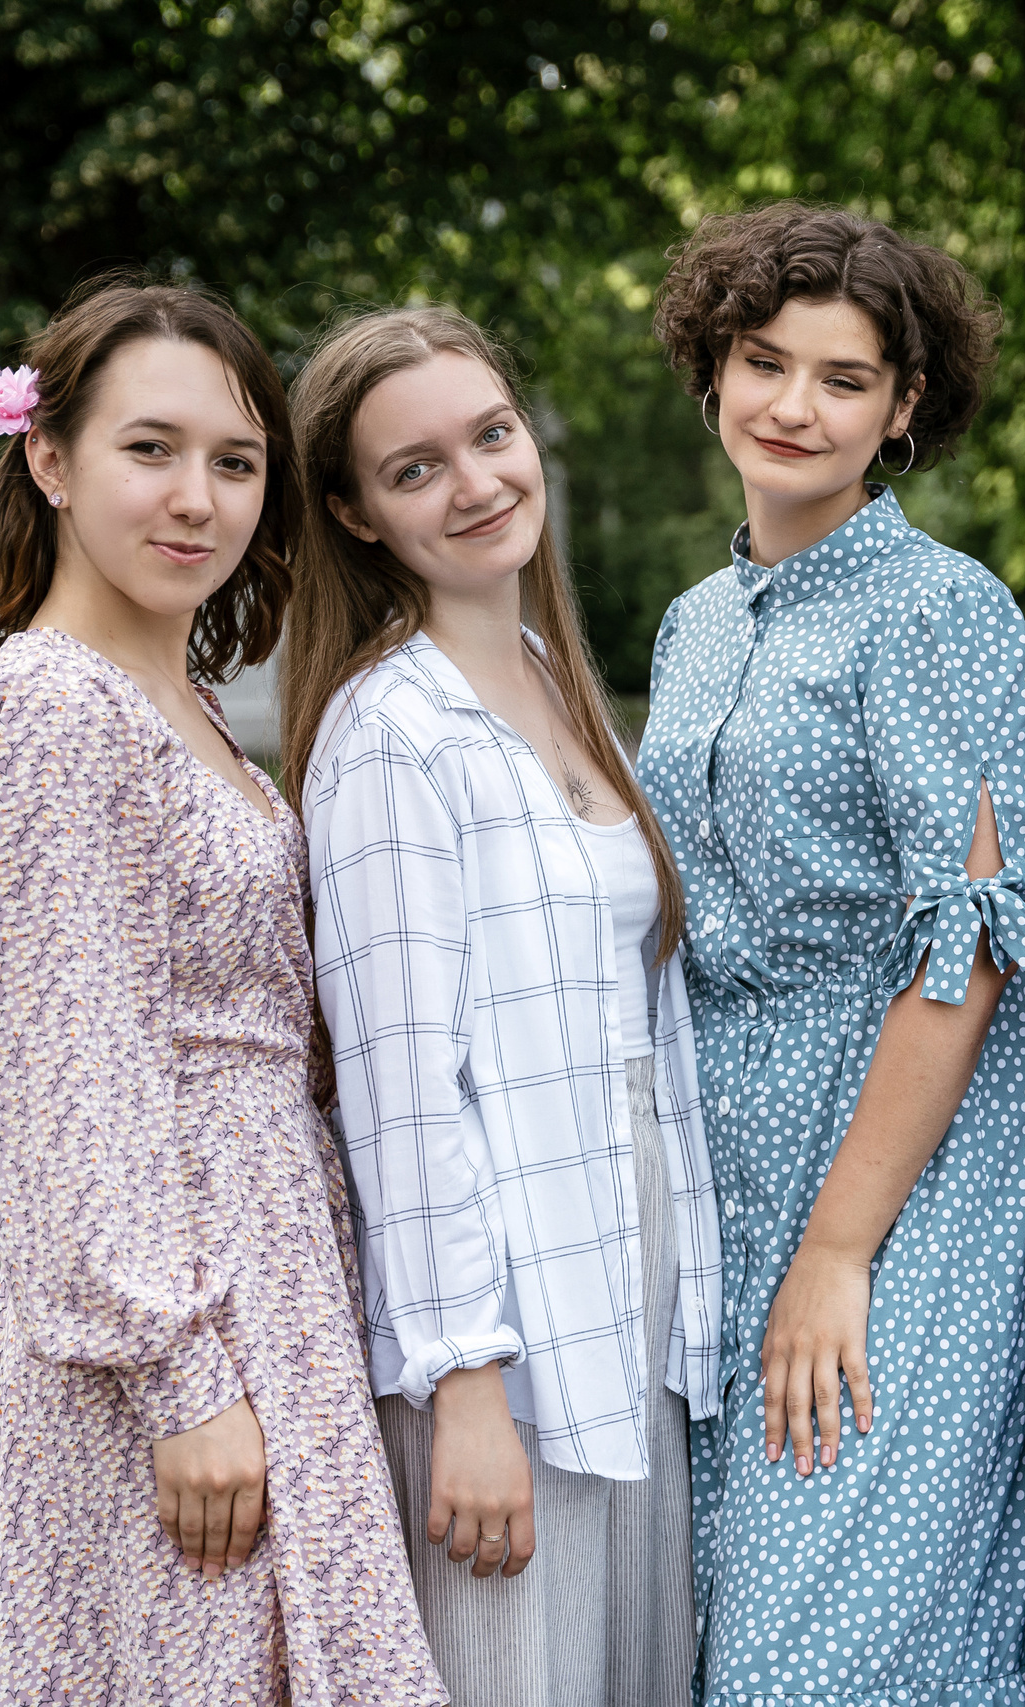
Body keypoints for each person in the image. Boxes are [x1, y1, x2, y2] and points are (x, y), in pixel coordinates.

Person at [0, 278, 440, 1706]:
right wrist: (181, 1381)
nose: (197, 500)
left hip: (267, 1272)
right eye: (149, 449)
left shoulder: (182, 702)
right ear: (50, 460)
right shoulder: (52, 710)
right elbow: (68, 1078)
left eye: (235, 462)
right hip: (172, 1319)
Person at [635, 202, 1025, 1705]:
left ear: (902, 410)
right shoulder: (696, 622)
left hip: (919, 1154)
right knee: (738, 1595)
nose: (794, 406)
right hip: (738, 1145)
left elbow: (966, 955)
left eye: (844, 378)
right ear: (712, 367)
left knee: (831, 1630)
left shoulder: (946, 612)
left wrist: (839, 1250)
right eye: (766, 361)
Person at [282, 305, 724, 1707]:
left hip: (631, 1269)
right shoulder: (385, 735)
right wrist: (464, 1385)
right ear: (354, 515)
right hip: (508, 1322)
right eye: (415, 470)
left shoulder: (553, 684)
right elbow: (404, 1091)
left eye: (491, 435)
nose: (476, 483)